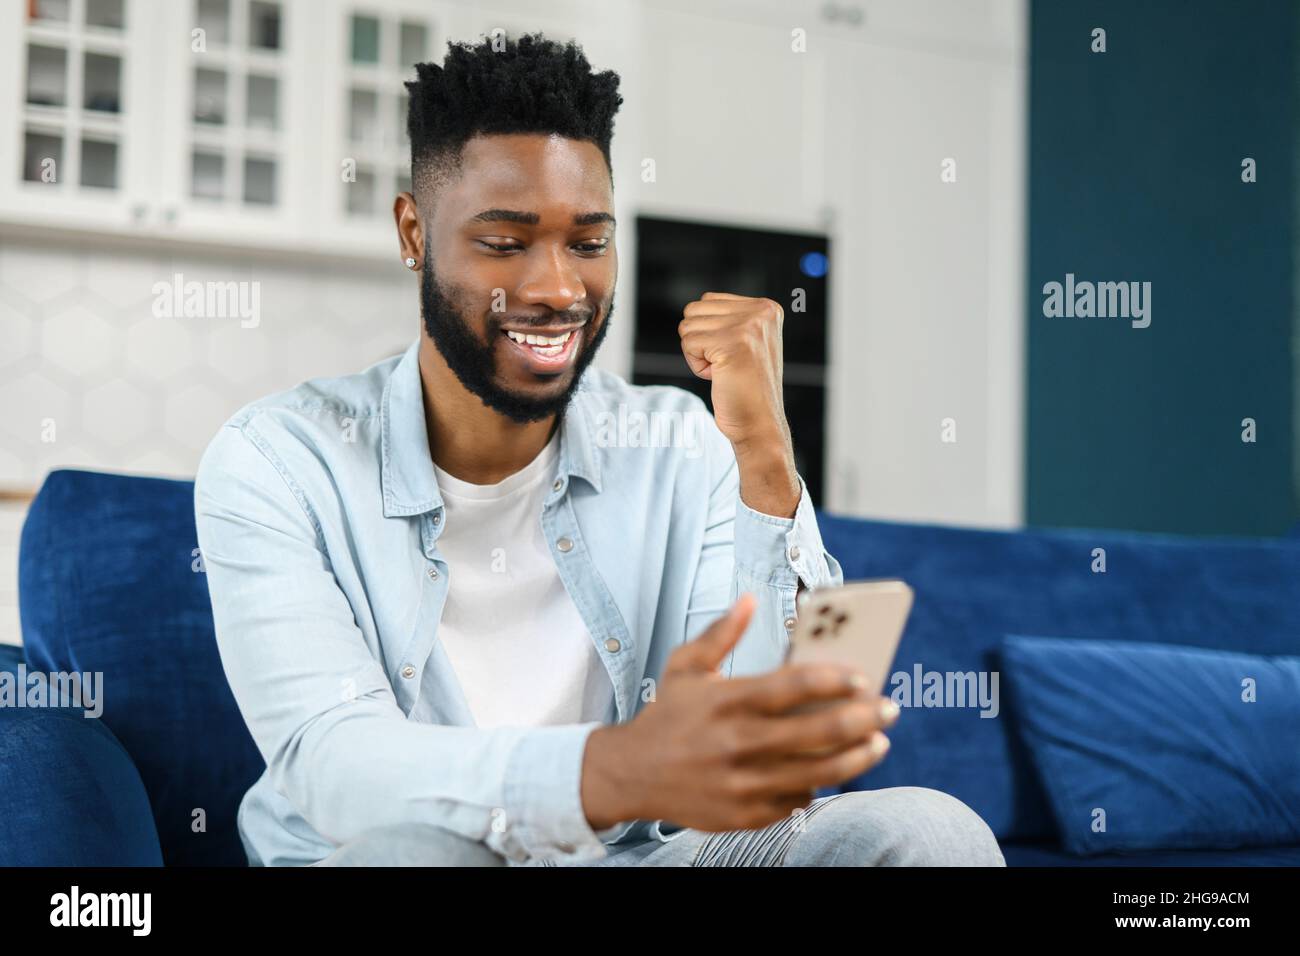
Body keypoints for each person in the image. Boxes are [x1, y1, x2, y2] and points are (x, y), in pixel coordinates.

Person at [193, 32, 1003, 868]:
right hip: (394, 857)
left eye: (588, 243)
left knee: (932, 832)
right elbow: (336, 769)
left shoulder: (678, 443)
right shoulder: (278, 462)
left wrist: (765, 453)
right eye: (505, 243)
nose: (555, 290)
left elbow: (783, 770)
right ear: (413, 233)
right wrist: (610, 771)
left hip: (634, 858)